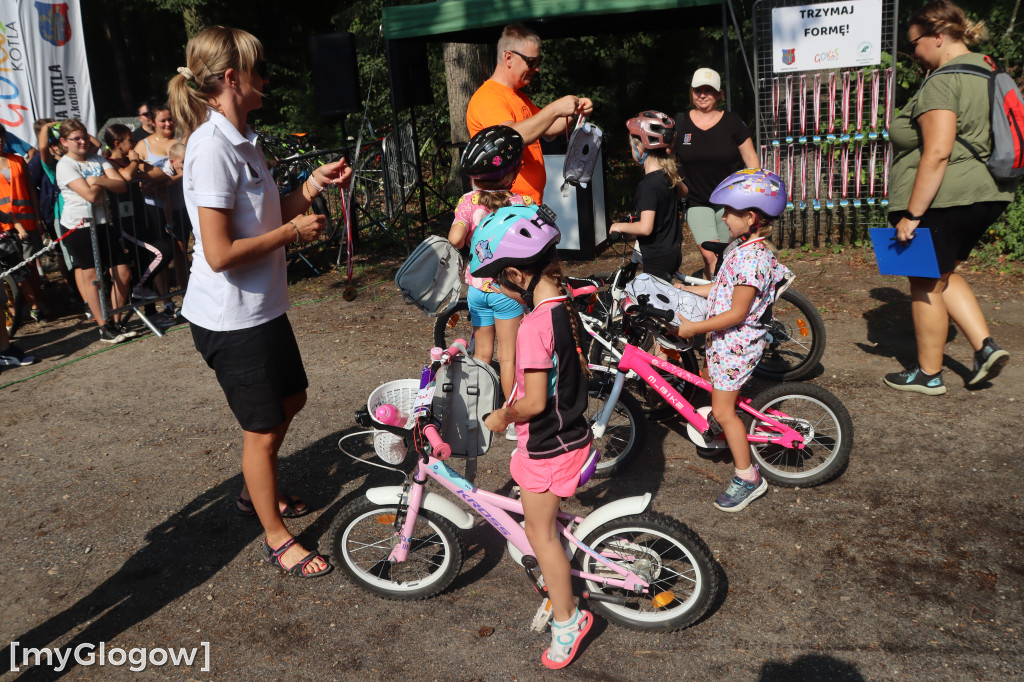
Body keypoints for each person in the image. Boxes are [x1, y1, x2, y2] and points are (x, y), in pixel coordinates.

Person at [168, 25, 352, 578]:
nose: (268, 78)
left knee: (292, 398)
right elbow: (221, 253)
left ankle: (256, 493)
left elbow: (268, 216)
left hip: (263, 307)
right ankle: (275, 536)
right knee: (264, 429)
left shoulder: (243, 139)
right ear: (232, 78)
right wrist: (294, 234)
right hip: (230, 318)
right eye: (260, 68)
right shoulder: (210, 149)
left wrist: (311, 187)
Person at [474, 204, 594, 669]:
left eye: (499, 278)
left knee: (537, 532)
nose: (499, 288)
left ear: (517, 276)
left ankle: (568, 619)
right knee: (546, 526)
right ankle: (563, 585)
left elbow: (535, 402)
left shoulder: (533, 326)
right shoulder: (565, 304)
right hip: (574, 432)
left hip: (548, 444)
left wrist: (502, 416)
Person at [883, 0, 1015, 394]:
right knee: (943, 273)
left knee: (924, 283)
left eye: (915, 44)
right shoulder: (990, 70)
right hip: (989, 192)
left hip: (945, 198)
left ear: (937, 37)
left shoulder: (943, 80)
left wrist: (912, 214)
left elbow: (937, 152)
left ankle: (928, 374)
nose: (913, 53)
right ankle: (985, 347)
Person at [674, 169, 792, 512]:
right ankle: (727, 437)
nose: (723, 218)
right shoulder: (744, 249)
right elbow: (722, 288)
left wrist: (692, 329)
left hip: (735, 342)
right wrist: (685, 288)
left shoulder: (752, 258)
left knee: (725, 411)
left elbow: (737, 312)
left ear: (751, 217)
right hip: (727, 342)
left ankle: (748, 477)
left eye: (729, 212)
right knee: (716, 393)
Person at [447, 125, 530, 435]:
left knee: (482, 355)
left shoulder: (468, 202)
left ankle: (476, 414)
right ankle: (510, 421)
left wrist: (465, 227)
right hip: (506, 291)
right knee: (508, 358)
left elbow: (455, 239)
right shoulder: (520, 203)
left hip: (476, 289)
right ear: (510, 175)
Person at [466, 24, 593, 203]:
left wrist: (574, 111)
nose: (537, 68)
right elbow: (510, 138)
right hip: (505, 207)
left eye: (538, 62)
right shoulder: (488, 97)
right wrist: (556, 108)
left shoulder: (519, 97)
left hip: (525, 205)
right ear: (508, 58)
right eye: (531, 62)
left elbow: (548, 128)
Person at [673, 68, 760, 278]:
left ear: (719, 94)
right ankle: (717, 308)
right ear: (691, 92)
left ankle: (719, 303)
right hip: (696, 201)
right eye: (697, 90)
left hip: (729, 203)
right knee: (711, 257)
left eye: (708, 90)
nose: (702, 95)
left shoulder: (732, 122)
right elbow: (667, 158)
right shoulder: (680, 122)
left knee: (728, 258)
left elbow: (751, 161)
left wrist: (754, 199)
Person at [55, 119, 134, 343]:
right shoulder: (65, 165)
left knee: (122, 271)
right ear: (64, 142)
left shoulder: (97, 159)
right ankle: (103, 325)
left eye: (84, 137)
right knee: (93, 277)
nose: (82, 142)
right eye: (75, 139)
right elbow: (89, 196)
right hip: (79, 225)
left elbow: (120, 185)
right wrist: (102, 182)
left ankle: (116, 321)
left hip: (102, 222)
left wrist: (97, 179)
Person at [103, 123, 175, 326]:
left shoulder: (131, 162)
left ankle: (151, 313)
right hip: (125, 225)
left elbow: (161, 176)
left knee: (145, 261)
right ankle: (138, 286)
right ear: (118, 143)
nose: (135, 145)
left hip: (141, 220)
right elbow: (125, 177)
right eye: (131, 141)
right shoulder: (109, 164)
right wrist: (134, 165)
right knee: (163, 252)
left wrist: (139, 171)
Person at [608, 111, 684, 281]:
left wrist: (619, 226)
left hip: (657, 259)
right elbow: (684, 192)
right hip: (673, 252)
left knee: (653, 305)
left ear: (640, 148)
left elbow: (645, 228)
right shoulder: (667, 176)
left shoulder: (647, 185)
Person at [0, 124, 46, 322]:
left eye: (1, 137)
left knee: (30, 265)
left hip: (27, 221)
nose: (0, 141)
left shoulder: (18, 161)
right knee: (10, 269)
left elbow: (30, 190)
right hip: (3, 226)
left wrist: (37, 217)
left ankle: (37, 304)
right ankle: (17, 308)